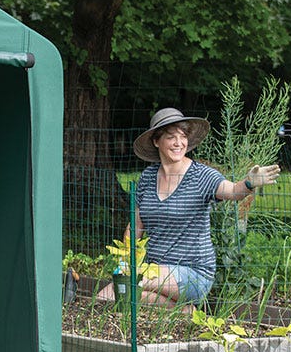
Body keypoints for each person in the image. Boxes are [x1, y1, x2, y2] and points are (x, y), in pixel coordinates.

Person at [97, 108, 280, 311]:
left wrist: (248, 183)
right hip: (155, 271)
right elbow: (136, 227)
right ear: (157, 141)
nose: (178, 143)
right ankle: (184, 312)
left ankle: (181, 309)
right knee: (105, 297)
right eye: (171, 137)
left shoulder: (201, 176)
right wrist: (127, 260)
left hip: (193, 272)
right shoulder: (148, 178)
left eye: (183, 137)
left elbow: (231, 191)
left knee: (129, 286)